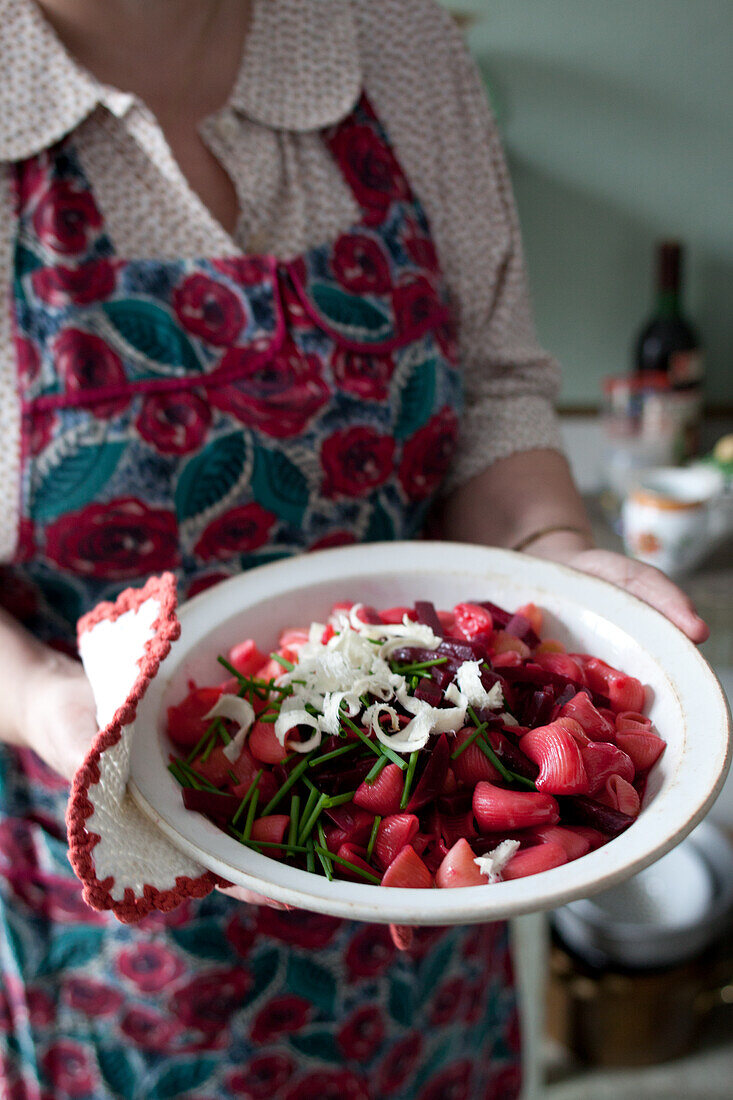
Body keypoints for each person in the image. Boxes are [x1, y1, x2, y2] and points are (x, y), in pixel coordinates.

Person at [0, 1, 708, 1097]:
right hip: (110, 904)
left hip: (437, 859)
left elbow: (492, 392)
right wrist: (48, 697)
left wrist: (551, 553)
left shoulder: (392, 37)